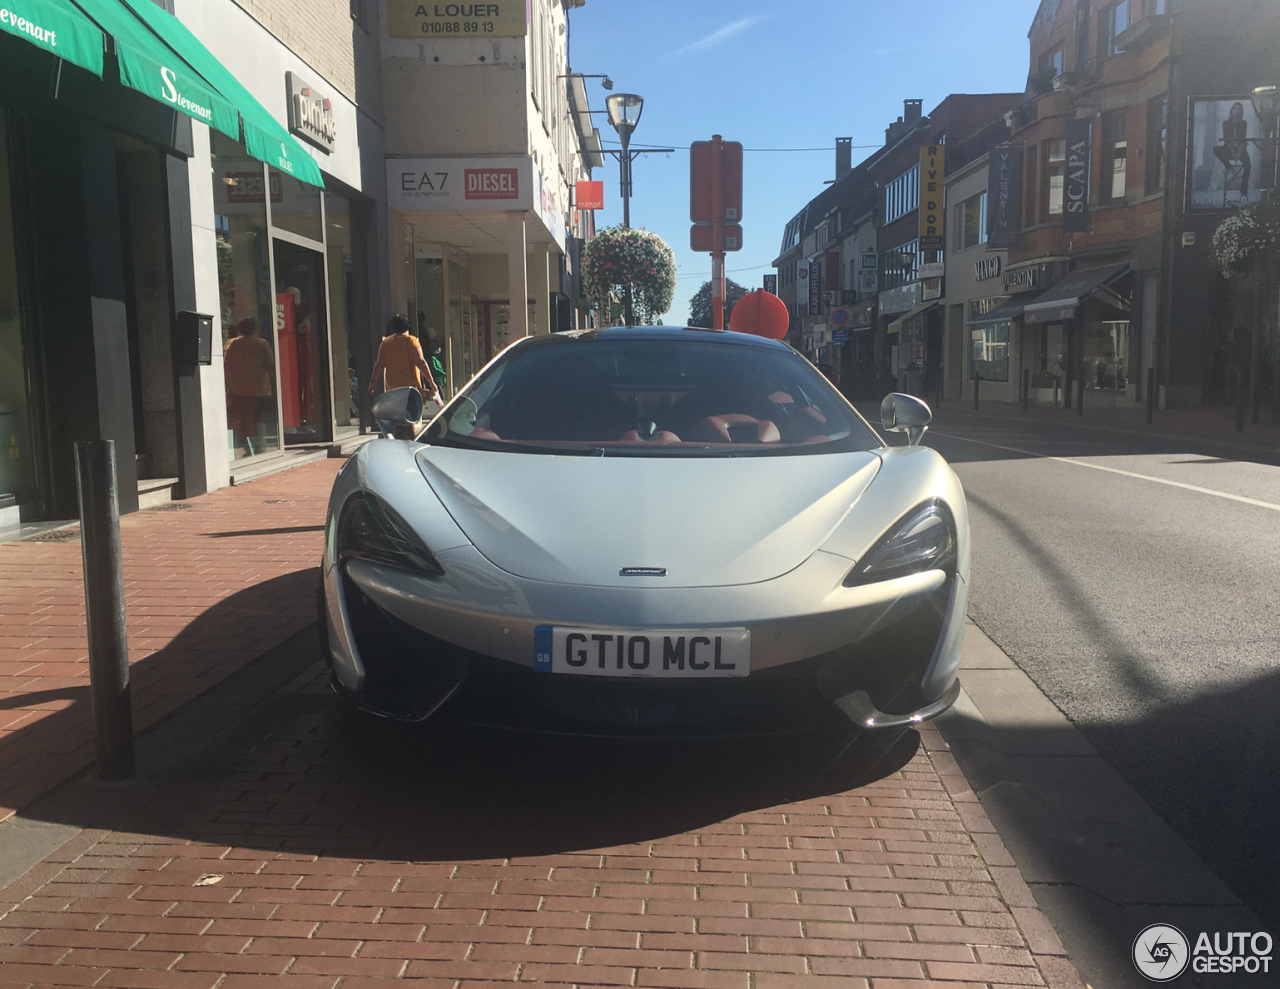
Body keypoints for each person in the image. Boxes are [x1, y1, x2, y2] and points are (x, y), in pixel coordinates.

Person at [224, 317, 275, 456]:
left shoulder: (234, 345)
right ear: (255, 329)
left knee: (245, 419)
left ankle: (248, 446)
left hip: (240, 388)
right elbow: (270, 364)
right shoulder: (261, 343)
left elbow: (227, 365)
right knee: (259, 416)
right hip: (260, 387)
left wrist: (228, 383)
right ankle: (260, 444)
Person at [370, 314, 441, 405]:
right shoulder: (412, 341)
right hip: (410, 389)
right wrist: (431, 381)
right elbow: (421, 362)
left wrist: (373, 381)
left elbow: (380, 364)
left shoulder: (386, 343)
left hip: (393, 389)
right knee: (411, 416)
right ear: (408, 326)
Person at [1213, 102, 1252, 199]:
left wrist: (1239, 152)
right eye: (1234, 108)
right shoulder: (1226, 123)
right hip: (1229, 148)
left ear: (1240, 111)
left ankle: (1243, 191)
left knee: (1248, 165)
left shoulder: (1243, 123)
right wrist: (1233, 152)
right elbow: (1227, 139)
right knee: (1216, 149)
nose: (1236, 111)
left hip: (1240, 149)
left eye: (1238, 109)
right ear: (1232, 110)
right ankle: (1230, 168)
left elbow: (1243, 139)